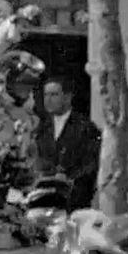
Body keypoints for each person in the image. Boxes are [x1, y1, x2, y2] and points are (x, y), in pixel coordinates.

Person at [34, 78, 100, 210]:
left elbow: (92, 163)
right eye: (46, 95)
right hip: (43, 198)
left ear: (67, 97)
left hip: (75, 200)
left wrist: (70, 177)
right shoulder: (40, 127)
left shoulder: (85, 127)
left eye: (54, 95)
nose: (48, 100)